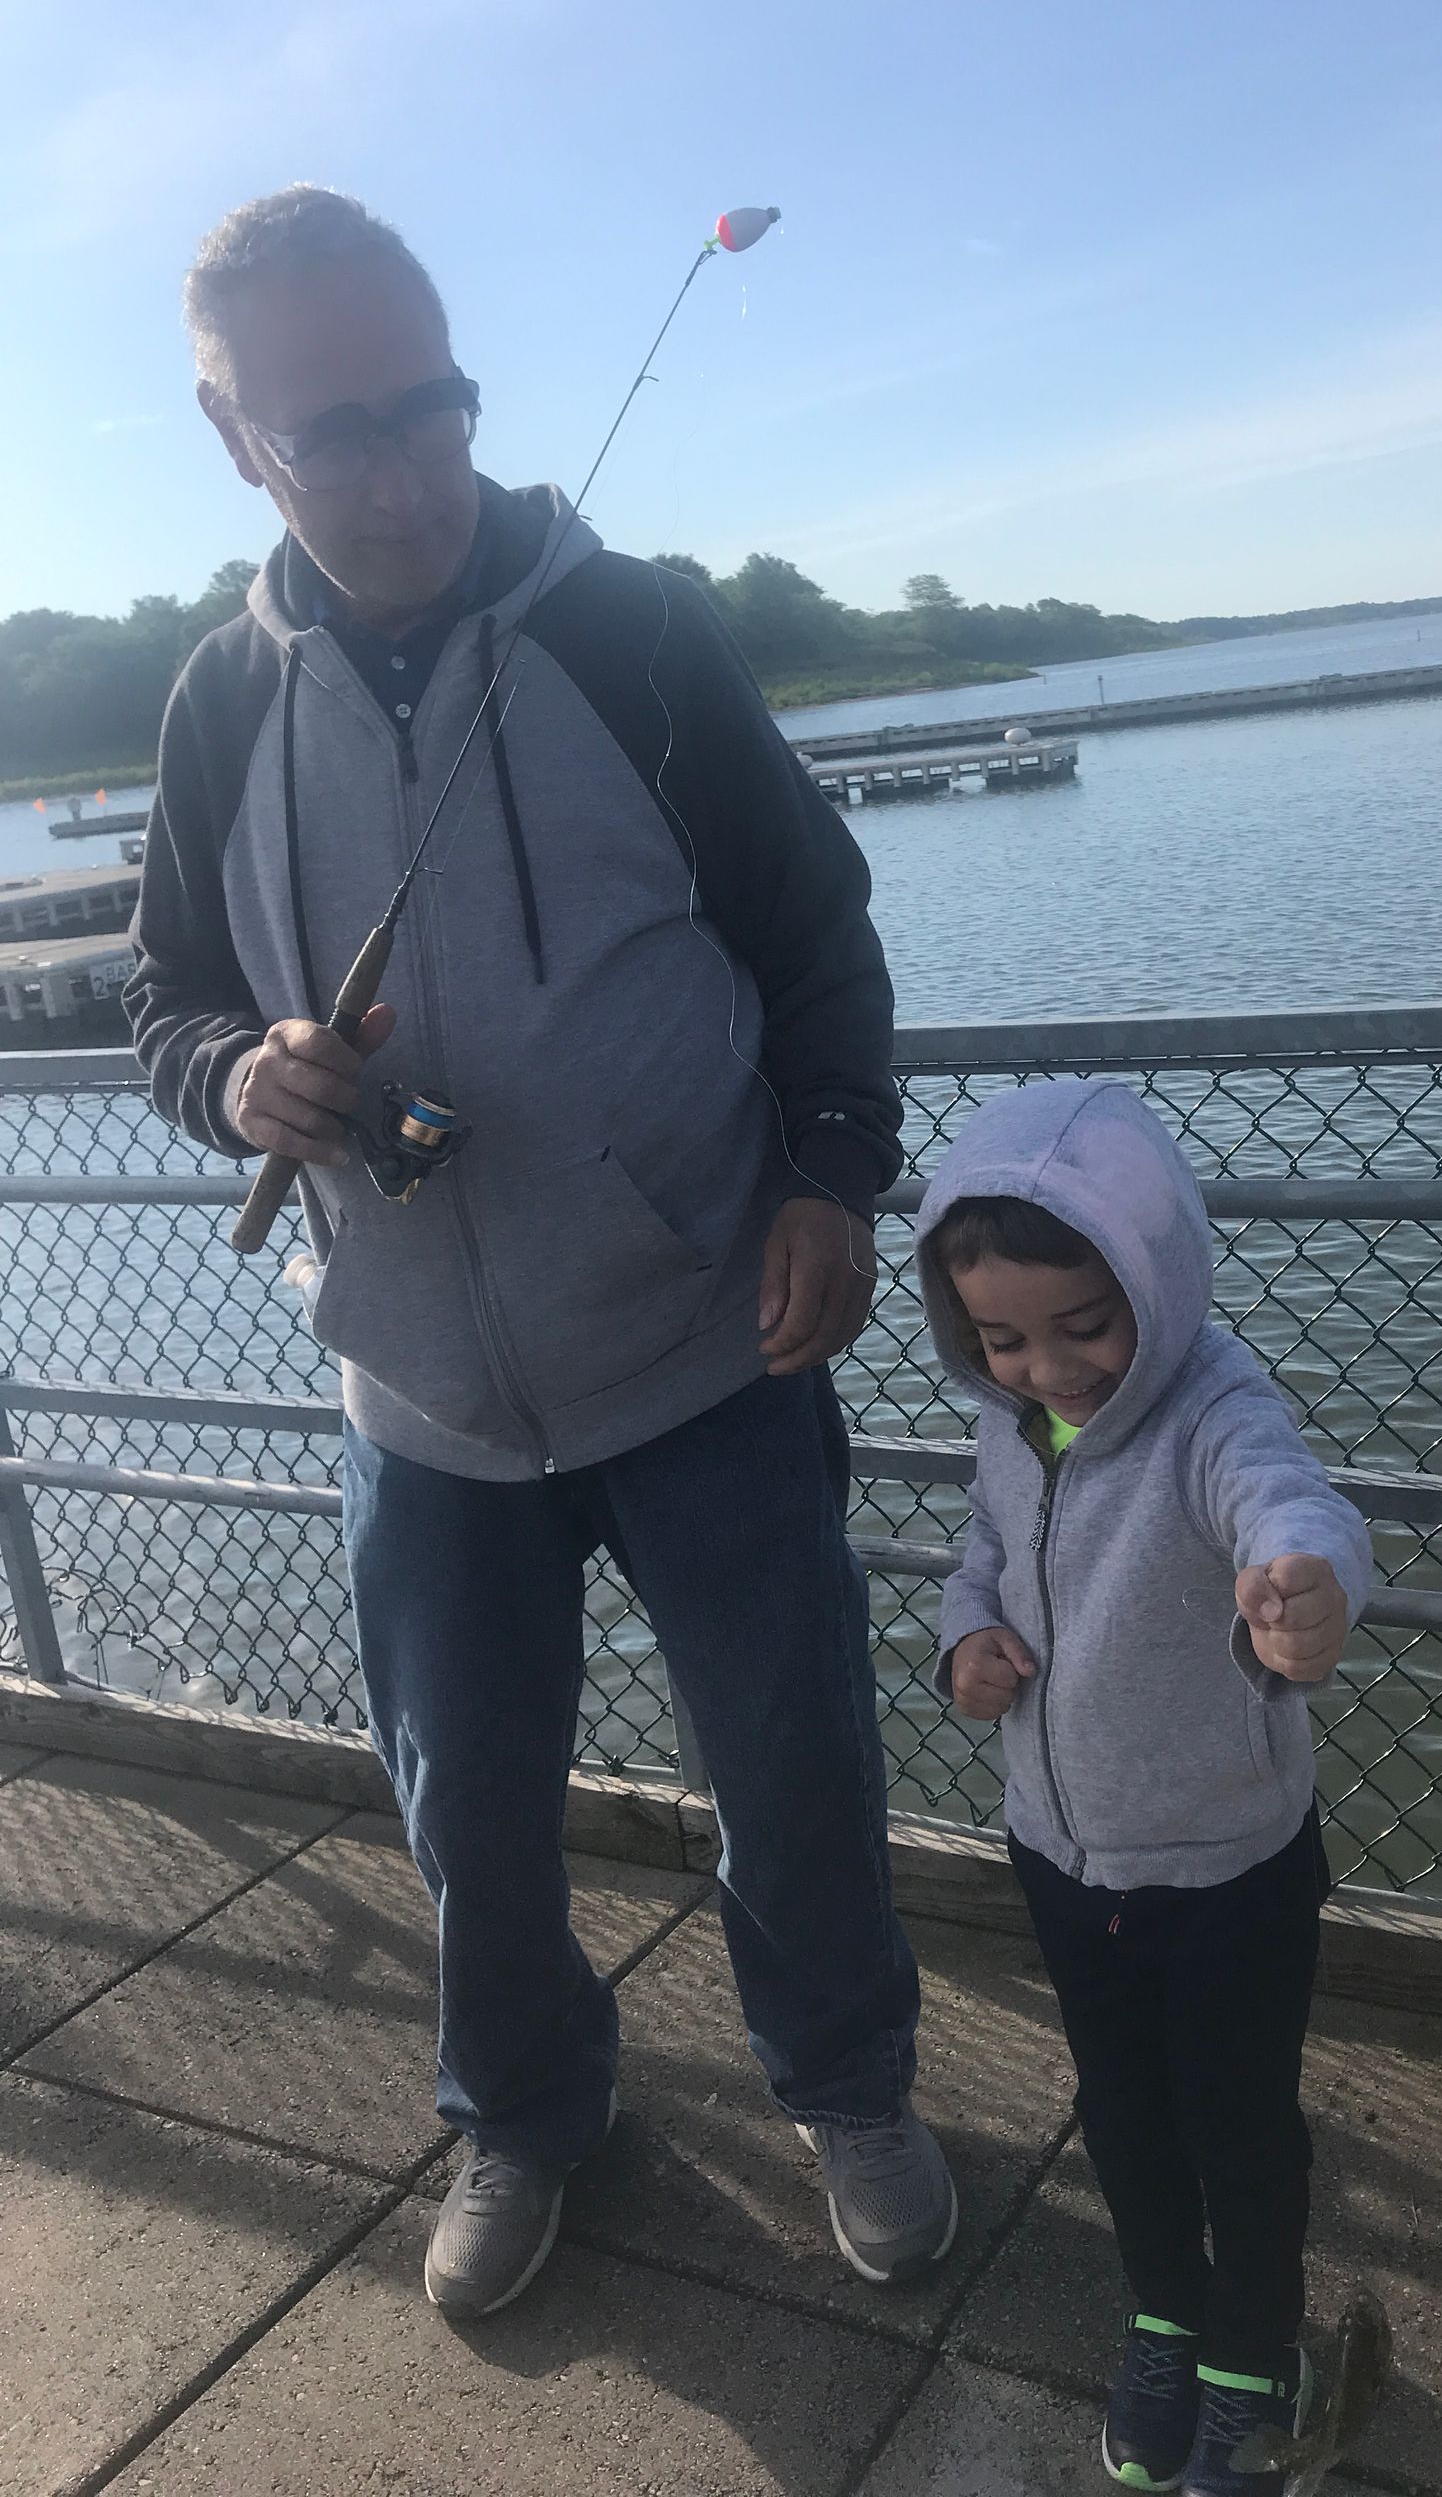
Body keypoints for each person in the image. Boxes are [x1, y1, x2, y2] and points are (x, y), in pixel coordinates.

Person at [125, 185, 955, 2318]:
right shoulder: (213, 704)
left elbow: (818, 933)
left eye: (435, 406)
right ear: (234, 437)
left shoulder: (637, 631)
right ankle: (521, 2111)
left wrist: (830, 1178)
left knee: (794, 1769)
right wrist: (238, 1078)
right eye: (336, 432)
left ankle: (850, 2086)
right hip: (415, 1393)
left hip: (706, 1343)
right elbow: (165, 1001)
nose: (405, 474)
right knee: (465, 1815)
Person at [915, 1079, 1373, 2496]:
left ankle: (1256, 2353)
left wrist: (1309, 1583)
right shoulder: (1010, 1425)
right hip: (1062, 1854)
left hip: (1228, 1868)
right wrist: (966, 1643)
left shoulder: (1212, 1405)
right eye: (1002, 1340)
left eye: (1085, 1325)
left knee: (1240, 2122)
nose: (1049, 1369)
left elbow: (1289, 1498)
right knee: (1120, 2107)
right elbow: (984, 1557)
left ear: (1156, 1284)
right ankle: (1168, 2313)